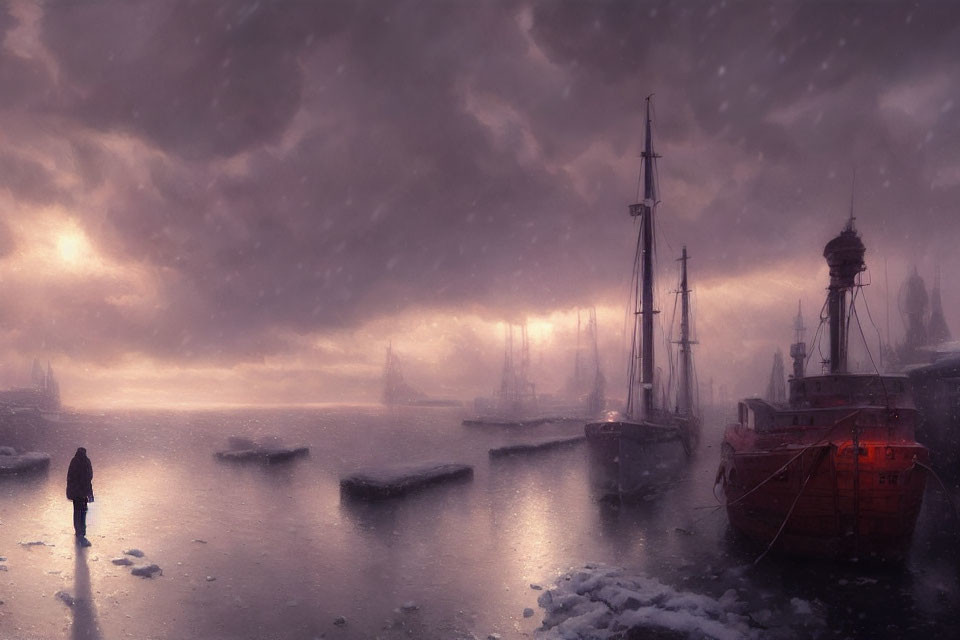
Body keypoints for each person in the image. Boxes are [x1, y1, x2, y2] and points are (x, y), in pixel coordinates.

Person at [66, 447, 94, 546]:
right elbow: (89, 478)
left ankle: (78, 531)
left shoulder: (74, 461)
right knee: (83, 512)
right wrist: (89, 493)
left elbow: (70, 478)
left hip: (76, 492)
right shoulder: (86, 462)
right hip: (83, 492)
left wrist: (70, 491)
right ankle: (81, 531)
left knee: (77, 512)